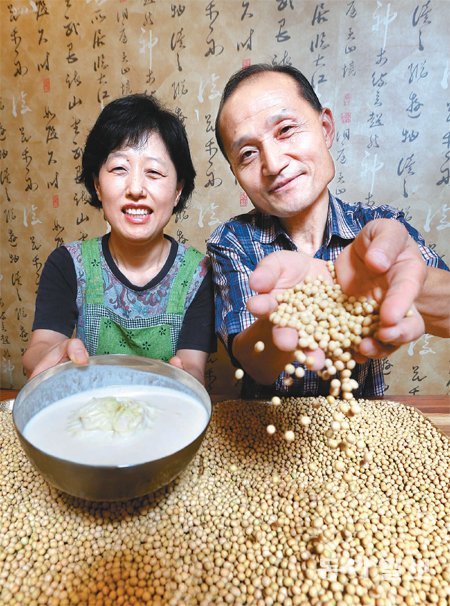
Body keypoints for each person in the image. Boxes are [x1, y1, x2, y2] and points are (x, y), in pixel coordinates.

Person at [207, 63, 449, 399]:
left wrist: (378, 284)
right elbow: (253, 363)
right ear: (237, 174)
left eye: (286, 129)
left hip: (360, 428)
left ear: (325, 128)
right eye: (248, 153)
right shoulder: (232, 240)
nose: (274, 164)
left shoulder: (378, 224)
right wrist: (294, 310)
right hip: (266, 434)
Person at [23, 94, 216, 385]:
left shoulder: (199, 274)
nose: (136, 188)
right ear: (98, 185)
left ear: (178, 190)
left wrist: (183, 375)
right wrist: (55, 355)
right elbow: (39, 348)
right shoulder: (68, 264)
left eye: (153, 172)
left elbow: (192, 367)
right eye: (119, 169)